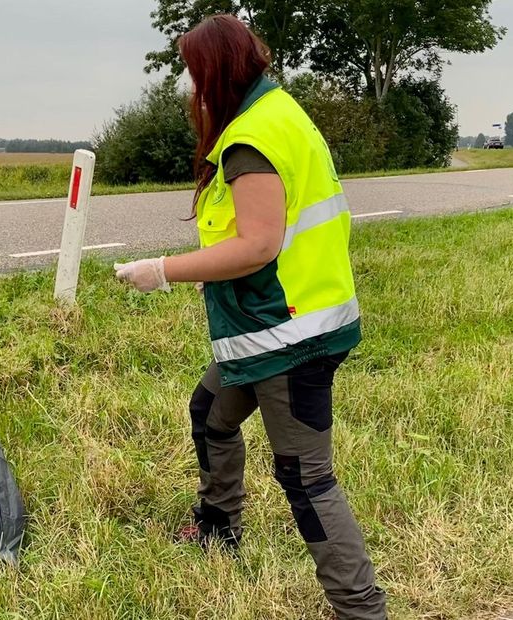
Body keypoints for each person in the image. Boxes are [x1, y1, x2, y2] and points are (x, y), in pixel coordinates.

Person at [113, 15, 387, 620]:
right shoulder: (279, 113)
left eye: (194, 75)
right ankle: (218, 524)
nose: (192, 91)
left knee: (306, 477)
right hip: (277, 328)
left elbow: (258, 245)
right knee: (210, 412)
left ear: (214, 71)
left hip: (290, 336)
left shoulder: (251, 139)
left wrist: (161, 269)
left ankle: (361, 610)